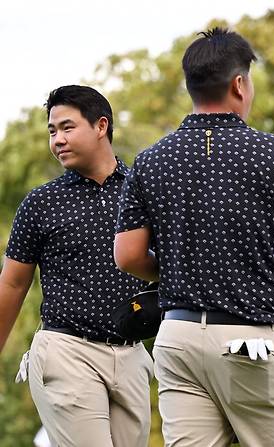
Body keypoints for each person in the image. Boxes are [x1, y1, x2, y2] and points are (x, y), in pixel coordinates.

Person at [114, 27, 274, 446]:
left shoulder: (150, 160)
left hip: (178, 339)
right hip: (250, 341)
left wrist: (175, 270)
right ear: (239, 84)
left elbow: (128, 255)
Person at [0, 85, 153, 447]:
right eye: (52, 131)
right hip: (67, 351)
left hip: (132, 354)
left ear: (101, 126)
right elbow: (12, 284)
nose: (57, 140)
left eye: (67, 128)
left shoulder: (143, 190)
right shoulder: (40, 203)